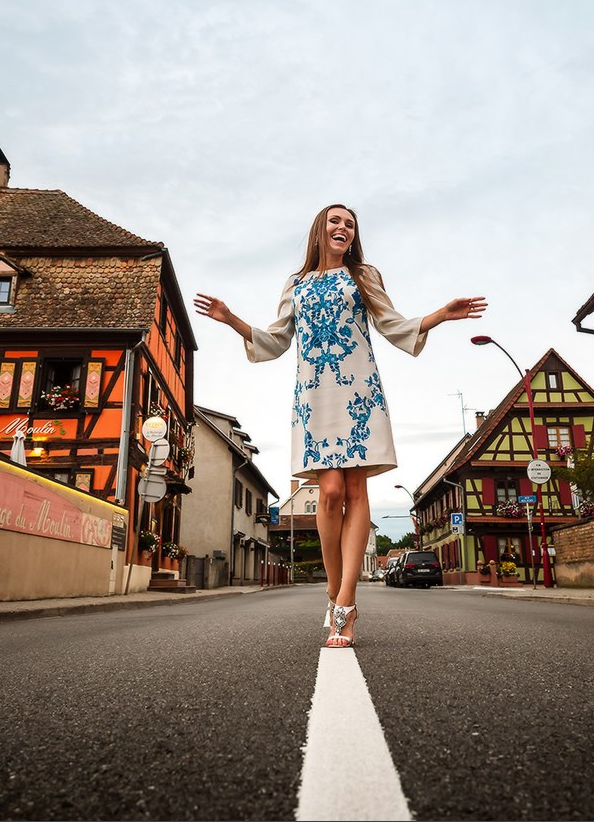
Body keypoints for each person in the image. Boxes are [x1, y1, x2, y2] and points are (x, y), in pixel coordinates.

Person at [194, 203, 487, 648]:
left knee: (354, 492)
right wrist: (231, 319)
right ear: (318, 230)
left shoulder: (364, 275)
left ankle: (345, 603)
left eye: (350, 224)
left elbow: (393, 325)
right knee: (327, 493)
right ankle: (334, 590)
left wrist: (440, 315)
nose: (343, 228)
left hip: (359, 393)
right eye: (335, 221)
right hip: (314, 395)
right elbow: (274, 341)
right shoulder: (295, 284)